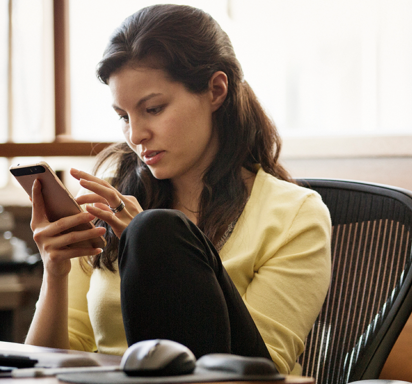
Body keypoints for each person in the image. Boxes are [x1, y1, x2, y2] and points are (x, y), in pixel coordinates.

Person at [23, 4, 332, 375]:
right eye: (124, 117)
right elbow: (44, 369)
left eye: (153, 109)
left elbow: (263, 372)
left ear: (216, 90)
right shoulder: (105, 206)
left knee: (157, 232)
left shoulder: (296, 214)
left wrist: (150, 249)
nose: (135, 135)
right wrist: (54, 272)